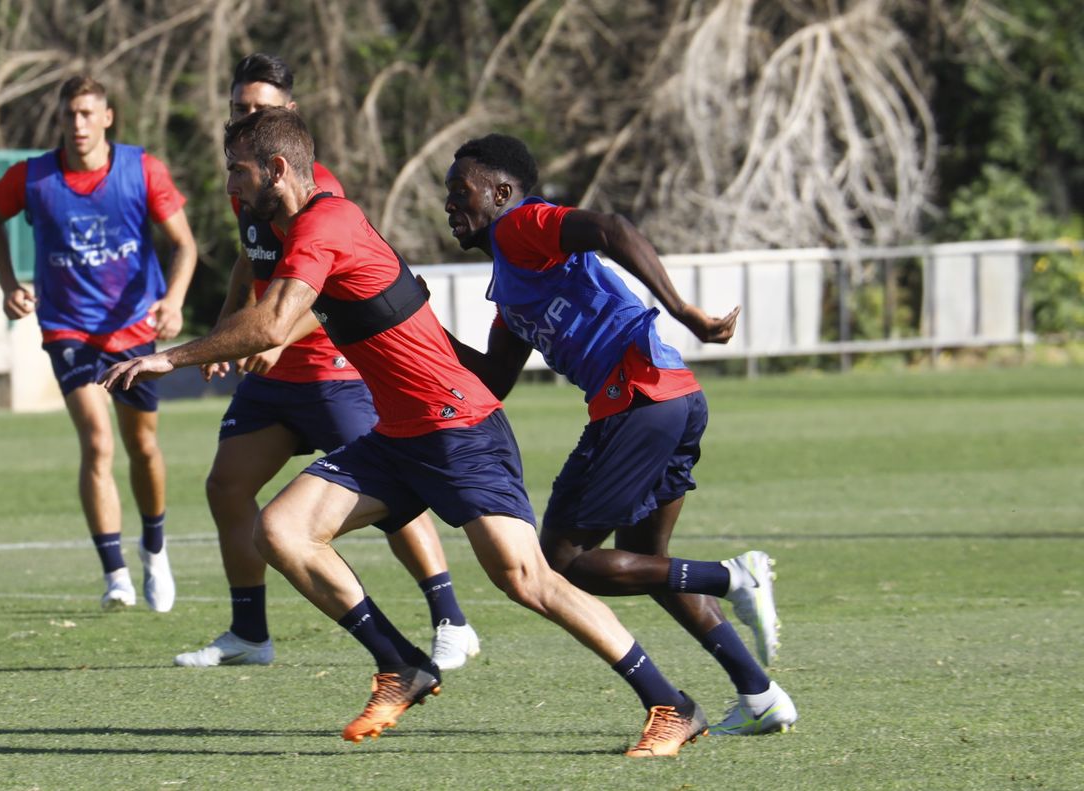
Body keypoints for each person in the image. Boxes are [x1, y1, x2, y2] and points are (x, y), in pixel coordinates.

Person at [102, 107, 708, 757]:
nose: (232, 183)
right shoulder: (296, 222)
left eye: (239, 170)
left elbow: (273, 324)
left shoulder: (324, 223)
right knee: (280, 530)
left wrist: (170, 355)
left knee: (528, 578)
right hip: (399, 434)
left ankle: (671, 703)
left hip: (459, 425)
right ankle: (402, 664)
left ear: (278, 169)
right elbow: (267, 304)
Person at [439, 132, 796, 735]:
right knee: (646, 562)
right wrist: (420, 323)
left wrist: (685, 312)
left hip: (638, 400)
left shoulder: (521, 225)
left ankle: (734, 576)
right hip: (672, 399)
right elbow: (493, 380)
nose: (450, 205)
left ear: (501, 192)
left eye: (460, 191)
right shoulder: (510, 285)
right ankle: (760, 695)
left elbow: (612, 229)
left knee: (562, 560)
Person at [174, 54, 479, 671]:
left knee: (392, 494)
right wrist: (227, 322)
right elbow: (250, 258)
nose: (246, 115)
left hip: (330, 371)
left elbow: (329, 286)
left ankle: (452, 620)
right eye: (238, 107)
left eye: (259, 108)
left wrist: (276, 335)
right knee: (227, 486)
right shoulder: (248, 184)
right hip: (272, 375)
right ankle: (250, 634)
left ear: (289, 114)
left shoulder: (318, 191)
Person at [0, 75, 197, 613]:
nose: (77, 124)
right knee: (97, 441)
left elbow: (185, 244)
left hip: (134, 332)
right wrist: (9, 285)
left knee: (141, 445)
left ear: (107, 117)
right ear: (61, 119)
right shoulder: (33, 178)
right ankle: (115, 574)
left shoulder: (142, 170)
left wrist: (173, 300)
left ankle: (153, 548)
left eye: (87, 113)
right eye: (69, 114)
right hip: (68, 329)